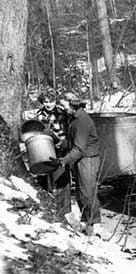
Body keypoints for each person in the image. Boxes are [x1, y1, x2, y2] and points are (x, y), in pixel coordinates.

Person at [57, 91, 102, 237]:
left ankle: (95, 224)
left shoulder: (82, 120)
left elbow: (79, 148)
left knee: (88, 192)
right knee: (81, 192)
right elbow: (73, 142)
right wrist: (60, 143)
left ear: (72, 104)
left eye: (64, 105)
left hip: (87, 159)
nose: (63, 108)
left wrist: (64, 160)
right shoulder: (74, 117)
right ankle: (85, 220)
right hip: (80, 158)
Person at [35, 89, 71, 221]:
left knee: (62, 178)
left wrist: (63, 142)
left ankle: (64, 210)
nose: (49, 104)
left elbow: (68, 131)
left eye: (51, 101)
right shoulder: (39, 115)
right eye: (46, 102)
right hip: (43, 149)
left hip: (60, 148)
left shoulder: (62, 113)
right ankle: (47, 207)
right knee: (43, 177)